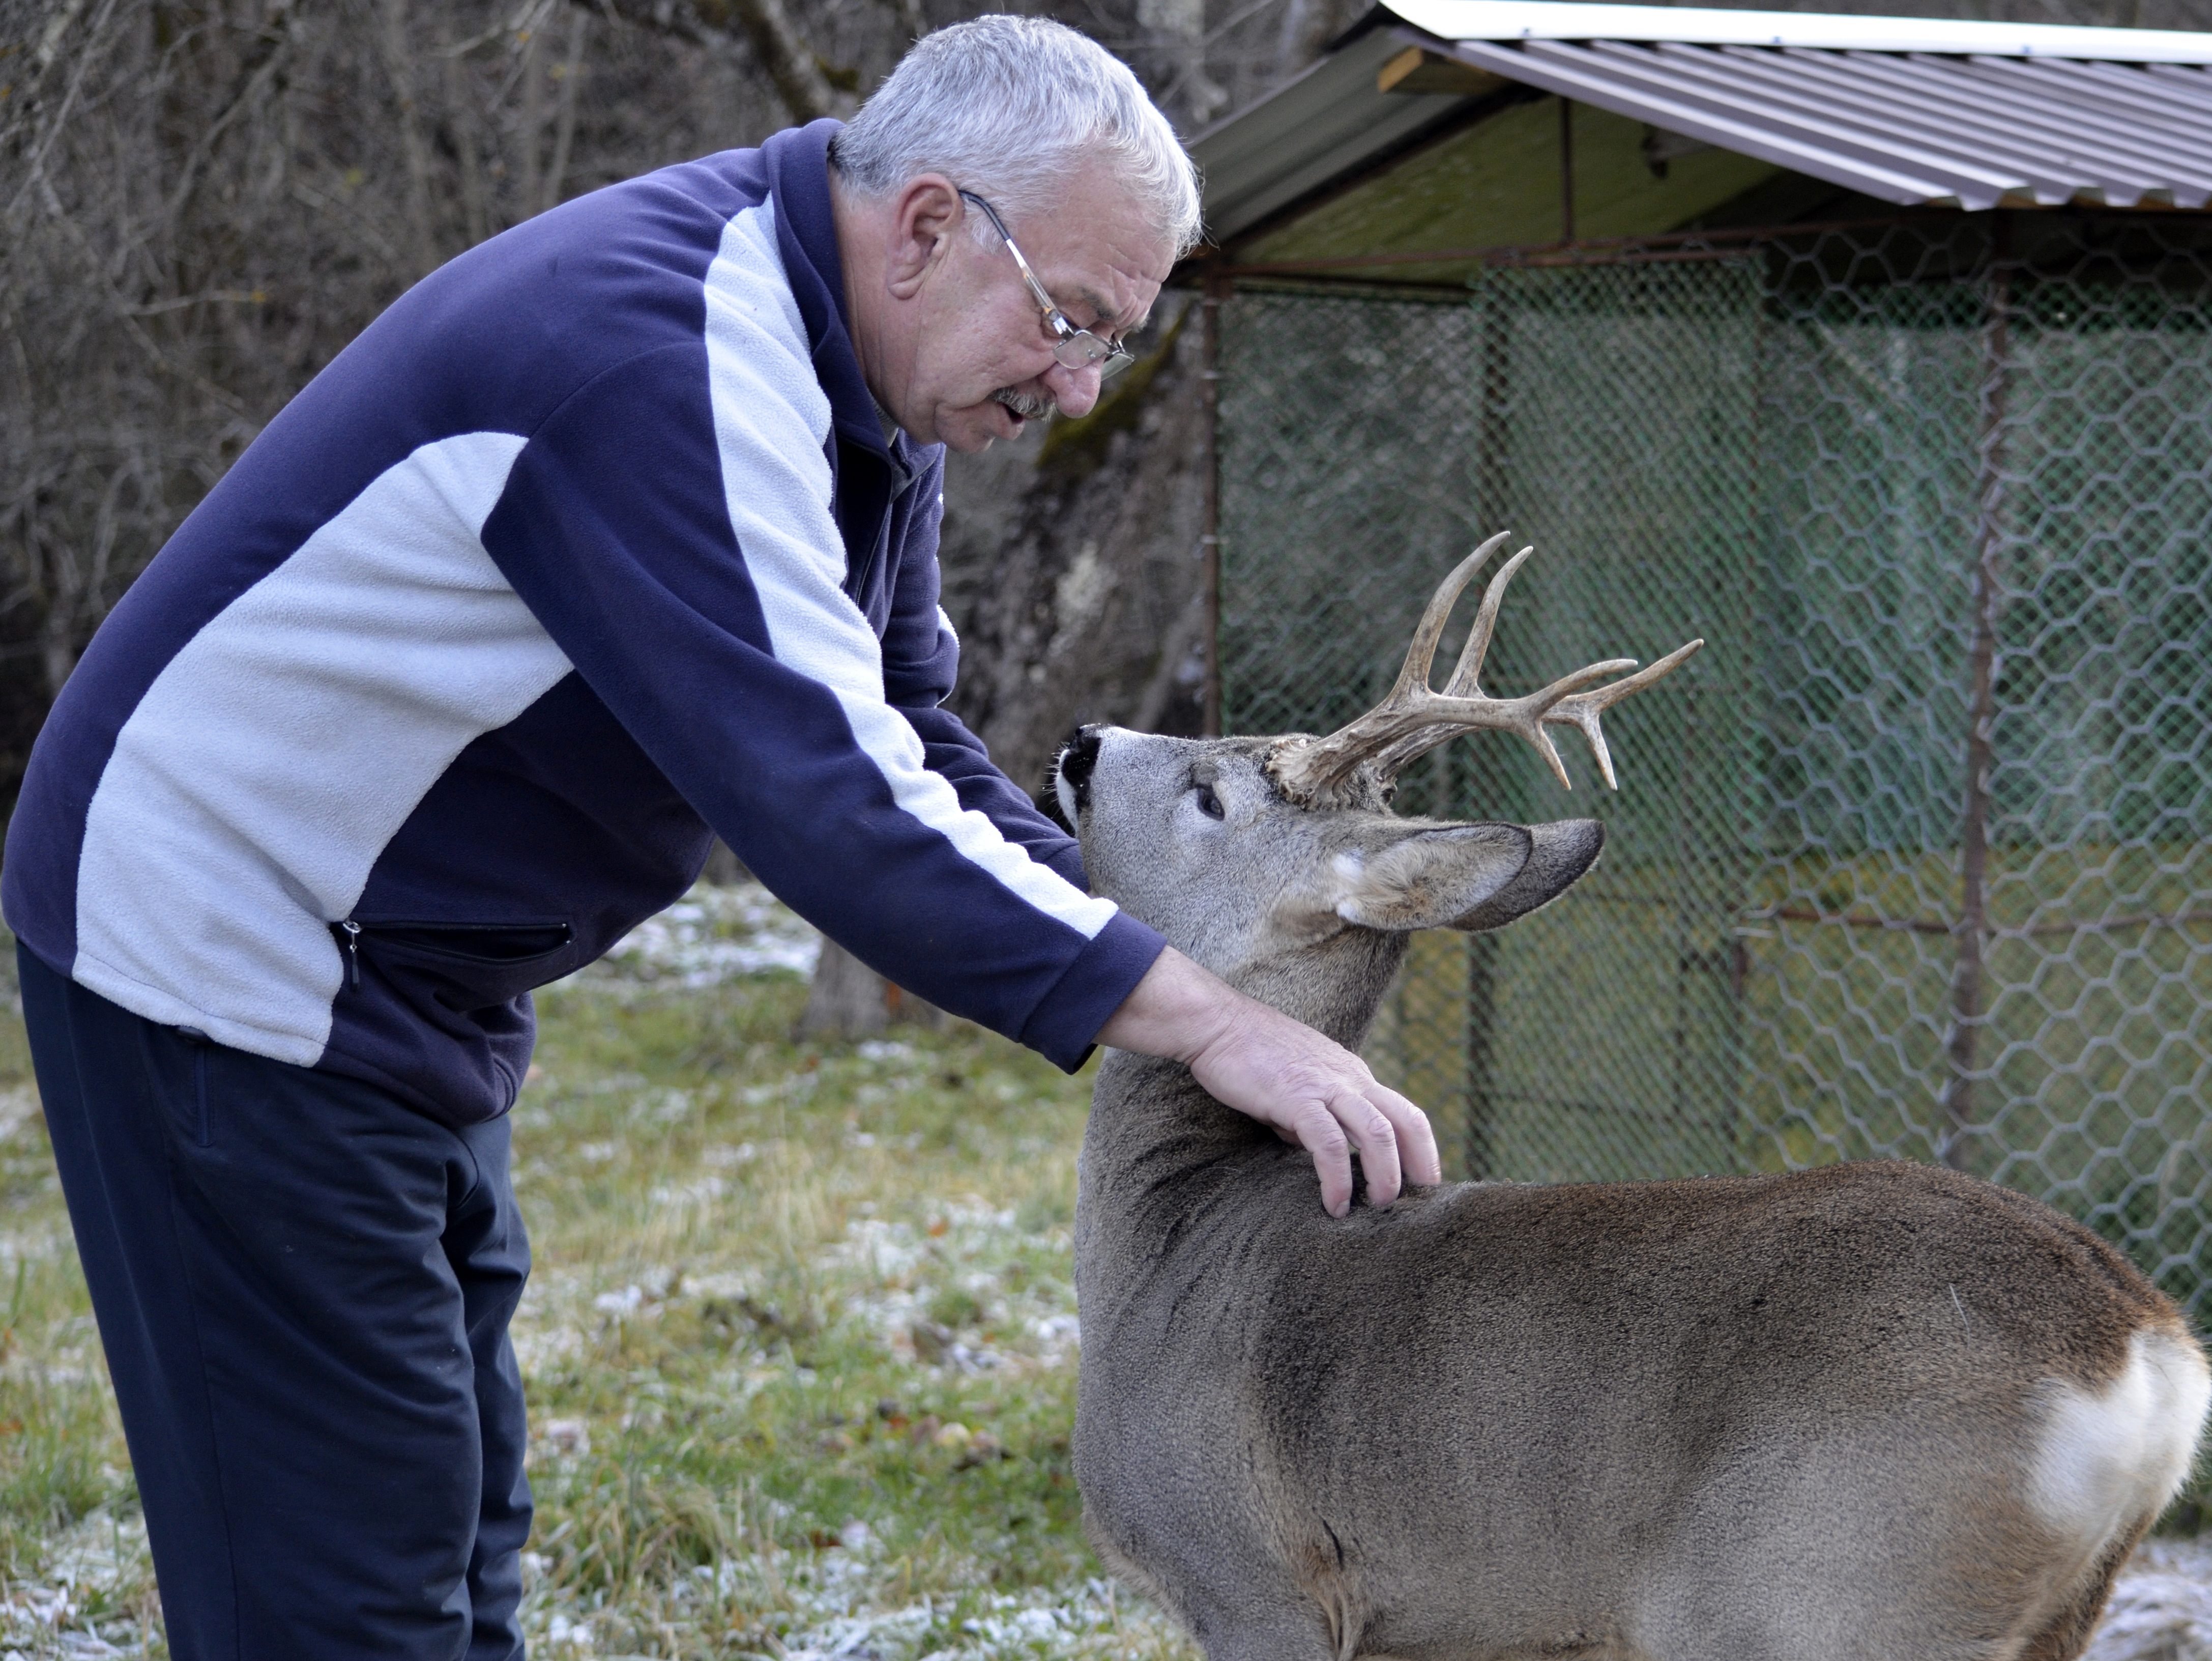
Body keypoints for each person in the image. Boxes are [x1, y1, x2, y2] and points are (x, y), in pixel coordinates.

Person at [1, 17, 1436, 1658]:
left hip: (402, 977)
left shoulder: (865, 379)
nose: (1081, 384)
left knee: (454, 1538)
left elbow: (908, 741)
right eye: (1074, 321)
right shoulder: (665, 362)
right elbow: (829, 802)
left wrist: (1175, 975)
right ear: (926, 228)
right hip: (221, 952)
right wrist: (1203, 1023)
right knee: (338, 1590)